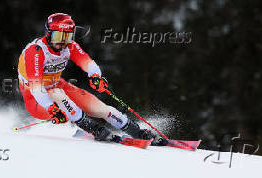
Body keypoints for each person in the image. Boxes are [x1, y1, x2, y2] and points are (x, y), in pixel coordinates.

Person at [17, 13, 157, 141]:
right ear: (48, 34)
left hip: (59, 86)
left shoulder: (69, 46)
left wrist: (95, 76)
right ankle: (93, 128)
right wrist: (50, 107)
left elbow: (88, 63)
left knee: (101, 109)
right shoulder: (35, 51)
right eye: (58, 37)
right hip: (36, 100)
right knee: (57, 93)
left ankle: (136, 131)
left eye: (67, 37)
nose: (63, 42)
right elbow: (36, 88)